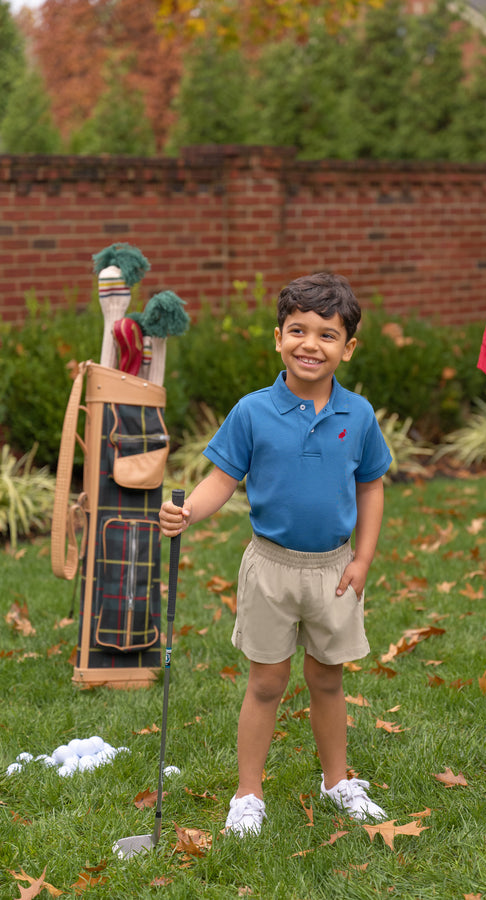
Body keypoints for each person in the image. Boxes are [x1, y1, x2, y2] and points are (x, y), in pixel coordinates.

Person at [159, 272, 392, 836]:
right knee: (266, 684)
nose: (311, 344)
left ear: (348, 348)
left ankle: (336, 782)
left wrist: (362, 559)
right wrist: (188, 512)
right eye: (298, 331)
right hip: (271, 568)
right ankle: (248, 794)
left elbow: (371, 488)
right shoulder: (252, 411)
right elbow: (222, 480)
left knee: (328, 680)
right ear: (278, 337)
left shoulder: (358, 415)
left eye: (327, 335)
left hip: (334, 570)